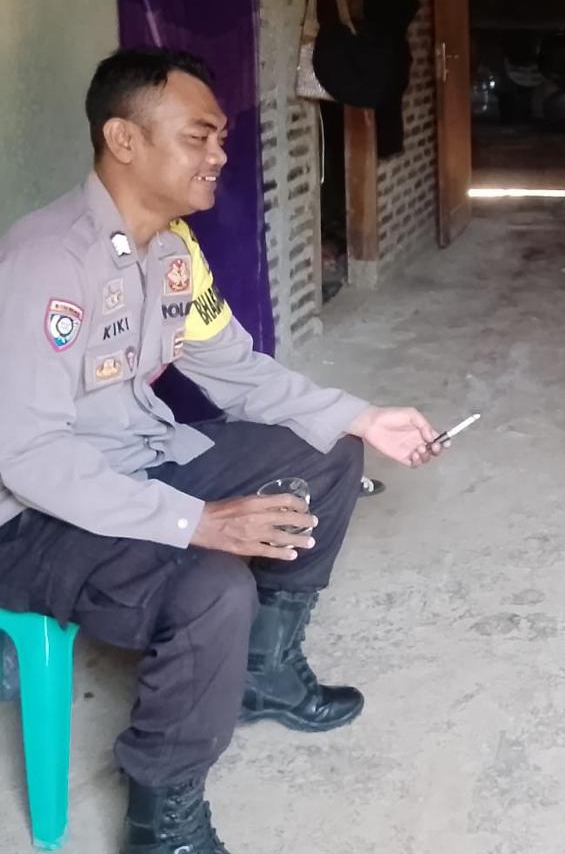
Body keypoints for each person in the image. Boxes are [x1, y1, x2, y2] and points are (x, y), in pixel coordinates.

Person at [0, 49, 444, 854]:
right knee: (212, 588)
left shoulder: (174, 254)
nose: (218, 155)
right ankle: (162, 820)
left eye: (222, 139)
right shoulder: (47, 262)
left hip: (137, 459)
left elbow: (239, 372)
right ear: (124, 140)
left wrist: (364, 416)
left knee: (326, 452)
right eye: (198, 137)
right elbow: (28, 457)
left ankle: (263, 672)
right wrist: (196, 521)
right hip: (32, 518)